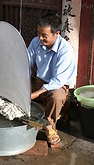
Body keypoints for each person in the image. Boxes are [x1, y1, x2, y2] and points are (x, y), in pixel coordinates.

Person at [28, 13, 77, 146]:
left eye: (44, 35)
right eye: (38, 33)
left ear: (56, 33)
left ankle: (49, 125)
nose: (40, 38)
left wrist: (36, 94)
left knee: (56, 96)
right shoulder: (35, 42)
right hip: (38, 81)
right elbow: (26, 64)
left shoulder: (65, 51)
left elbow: (57, 81)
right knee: (17, 85)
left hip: (56, 86)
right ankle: (18, 118)